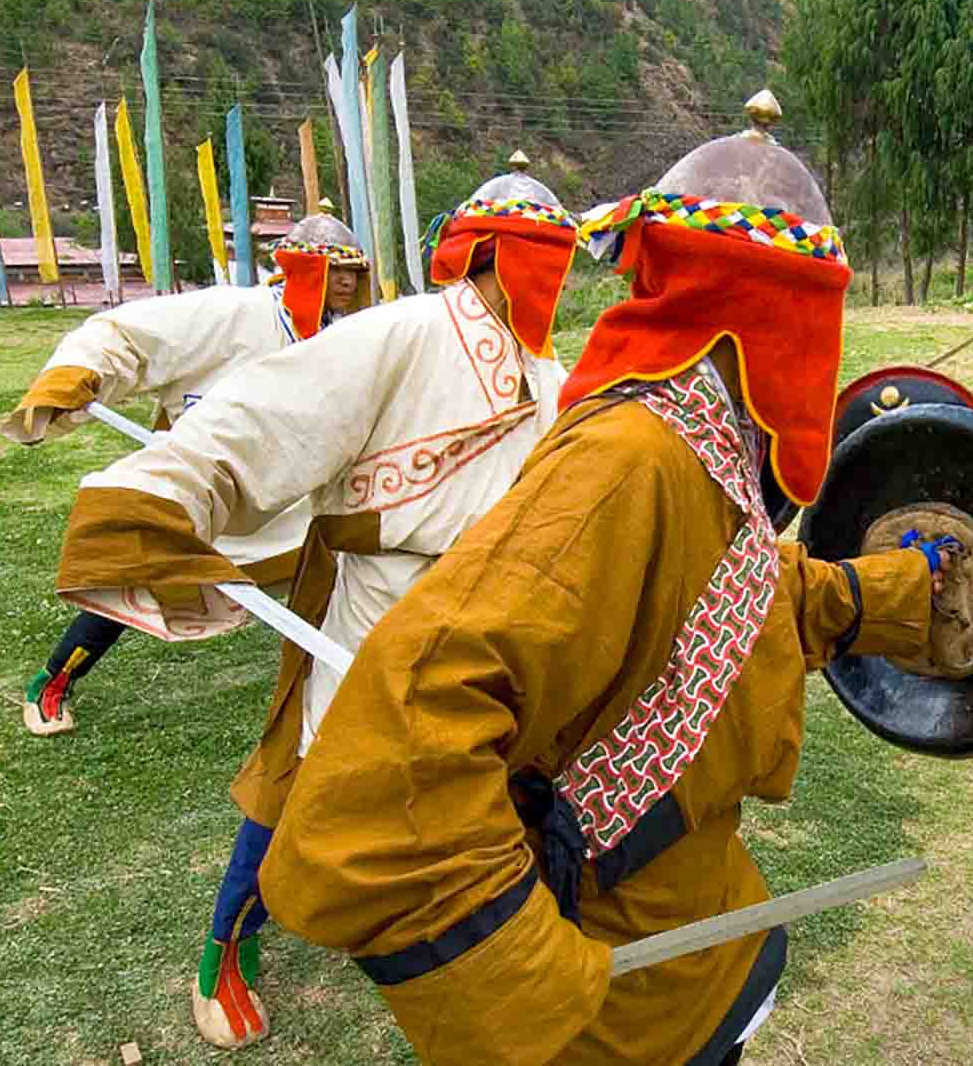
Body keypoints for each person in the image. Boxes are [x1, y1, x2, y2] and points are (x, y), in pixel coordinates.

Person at [257, 96, 949, 1066]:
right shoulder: (631, 458)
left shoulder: (706, 452)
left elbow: (741, 598)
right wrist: (525, 974)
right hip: (606, 1018)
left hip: (701, 957)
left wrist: (895, 593)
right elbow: (397, 742)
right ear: (780, 314)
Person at [51, 163, 580, 1047]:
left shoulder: (549, 374)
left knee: (484, 778)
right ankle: (227, 946)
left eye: (559, 255)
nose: (549, 276)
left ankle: (456, 935)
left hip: (486, 614)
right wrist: (161, 486)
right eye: (536, 254)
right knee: (311, 765)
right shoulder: (404, 330)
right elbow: (272, 411)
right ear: (482, 250)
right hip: (376, 597)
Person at [2, 213, 371, 736]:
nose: (350, 284)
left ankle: (344, 683)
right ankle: (53, 681)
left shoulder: (350, 337)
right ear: (303, 269)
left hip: (293, 501)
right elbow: (128, 333)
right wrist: (82, 373)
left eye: (356, 272)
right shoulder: (229, 314)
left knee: (350, 577)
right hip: (208, 487)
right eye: (338, 271)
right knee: (133, 578)